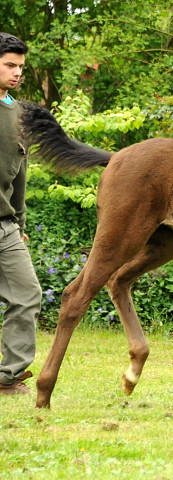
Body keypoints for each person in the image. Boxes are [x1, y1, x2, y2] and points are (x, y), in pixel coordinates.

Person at [0, 32, 41, 395]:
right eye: (9, 65)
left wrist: (20, 222)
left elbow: (20, 177)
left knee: (27, 295)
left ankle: (8, 378)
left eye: (20, 68)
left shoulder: (20, 115)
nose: (16, 73)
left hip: (6, 227)